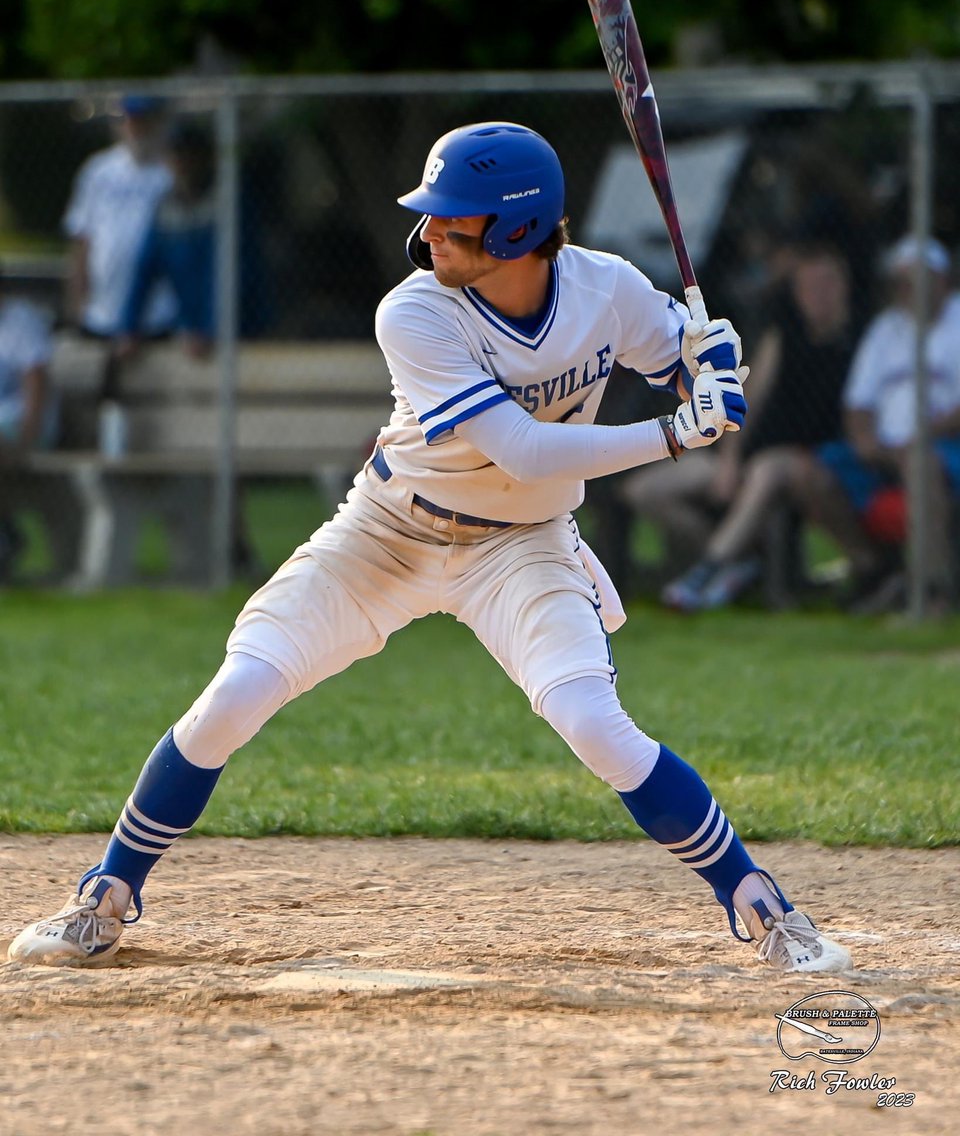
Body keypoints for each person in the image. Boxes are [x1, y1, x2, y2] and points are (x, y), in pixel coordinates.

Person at [7, 122, 851, 974]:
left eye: (457, 220)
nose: (432, 233)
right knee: (232, 697)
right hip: (385, 534)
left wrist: (708, 363)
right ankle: (105, 896)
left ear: (518, 231)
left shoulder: (608, 289)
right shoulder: (415, 310)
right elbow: (519, 448)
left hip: (523, 547)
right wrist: (674, 432)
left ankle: (763, 906)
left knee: (595, 723)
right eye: (434, 216)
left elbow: (682, 359)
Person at [632, 240, 861, 611]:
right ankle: (736, 564)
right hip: (752, 455)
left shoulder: (858, 342)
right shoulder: (784, 339)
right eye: (808, 287)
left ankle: (708, 571)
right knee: (645, 490)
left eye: (825, 285)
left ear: (843, 287)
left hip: (815, 460)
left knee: (767, 471)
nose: (816, 296)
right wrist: (728, 461)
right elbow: (746, 401)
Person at [794, 235, 960, 612]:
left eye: (914, 280)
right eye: (900, 282)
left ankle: (931, 592)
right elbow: (858, 403)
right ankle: (874, 570)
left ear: (940, 280)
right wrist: (866, 442)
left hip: (945, 447)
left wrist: (924, 436)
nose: (905, 290)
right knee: (809, 472)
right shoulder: (886, 328)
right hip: (887, 449)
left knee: (921, 462)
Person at [117, 118, 271, 359]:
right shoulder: (166, 207)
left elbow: (231, 271)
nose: (182, 163)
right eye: (176, 154)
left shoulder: (230, 202)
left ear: (205, 158)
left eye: (189, 154)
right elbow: (143, 271)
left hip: (243, 330)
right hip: (191, 329)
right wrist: (129, 328)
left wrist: (211, 329)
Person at [62, 95, 177, 346]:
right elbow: (82, 239)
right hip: (102, 314)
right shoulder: (99, 171)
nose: (136, 128)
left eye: (143, 121)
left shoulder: (170, 174)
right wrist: (77, 304)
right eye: (129, 120)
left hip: (158, 316)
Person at [0, 263, 55, 580]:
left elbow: (35, 384)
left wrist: (26, 441)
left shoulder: (21, 322)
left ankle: (5, 534)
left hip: (25, 423)